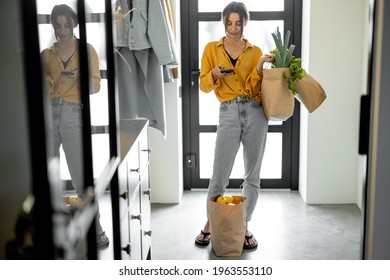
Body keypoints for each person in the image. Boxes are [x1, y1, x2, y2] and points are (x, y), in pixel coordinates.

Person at [195, 1, 275, 250]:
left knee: (252, 177)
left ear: (244, 23)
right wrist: (215, 76)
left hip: (254, 112)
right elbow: (203, 84)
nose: (233, 28)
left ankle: (243, 224)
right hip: (228, 112)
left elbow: (253, 87)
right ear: (223, 22)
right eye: (229, 23)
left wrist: (260, 65)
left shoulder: (254, 50)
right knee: (219, 174)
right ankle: (210, 223)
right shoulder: (211, 48)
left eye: (238, 23)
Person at [41, 4, 109, 250]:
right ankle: (50, 229)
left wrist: (80, 78)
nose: (62, 30)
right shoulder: (46, 54)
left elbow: (95, 87)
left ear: (74, 24)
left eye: (66, 25)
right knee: (47, 177)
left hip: (72, 114)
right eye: (58, 26)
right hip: (49, 114)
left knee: (81, 177)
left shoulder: (86, 50)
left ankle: (96, 229)